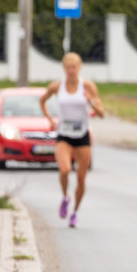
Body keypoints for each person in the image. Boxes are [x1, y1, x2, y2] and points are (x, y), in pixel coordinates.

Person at [40, 52, 105, 228]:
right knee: (64, 170)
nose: (71, 70)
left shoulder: (88, 86)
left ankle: (75, 212)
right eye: (68, 67)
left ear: (79, 68)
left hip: (82, 135)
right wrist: (50, 119)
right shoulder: (56, 86)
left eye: (74, 67)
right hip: (64, 134)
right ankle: (65, 197)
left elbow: (102, 113)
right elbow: (42, 100)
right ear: (64, 69)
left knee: (82, 179)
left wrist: (91, 102)